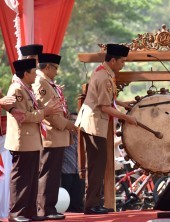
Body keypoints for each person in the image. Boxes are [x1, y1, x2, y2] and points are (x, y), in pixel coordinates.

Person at [75, 44, 137, 215]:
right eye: (122, 61)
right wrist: (127, 118)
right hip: (94, 125)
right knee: (97, 165)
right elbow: (104, 107)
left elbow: (107, 101)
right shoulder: (104, 77)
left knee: (99, 164)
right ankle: (91, 205)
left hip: (96, 124)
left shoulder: (104, 73)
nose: (123, 64)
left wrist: (123, 104)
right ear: (112, 60)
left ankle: (94, 202)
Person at [5, 59, 61, 222]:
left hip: (32, 140)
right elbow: (22, 116)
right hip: (22, 140)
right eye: (33, 72)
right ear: (26, 73)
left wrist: (44, 111)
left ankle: (29, 211)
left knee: (31, 177)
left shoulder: (26, 88)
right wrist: (45, 112)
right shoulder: (16, 89)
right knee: (21, 177)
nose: (36, 75)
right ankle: (17, 213)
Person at [32, 53, 77, 220]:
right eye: (55, 68)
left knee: (53, 174)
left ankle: (49, 207)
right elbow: (48, 114)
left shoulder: (48, 83)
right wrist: (69, 125)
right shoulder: (41, 83)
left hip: (57, 135)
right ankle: (44, 208)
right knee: (48, 174)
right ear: (48, 67)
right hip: (51, 134)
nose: (57, 72)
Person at [61, 112, 85, 213]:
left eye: (77, 121)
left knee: (78, 203)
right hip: (66, 172)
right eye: (72, 121)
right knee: (66, 203)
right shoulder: (64, 136)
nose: (75, 124)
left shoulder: (82, 138)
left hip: (79, 173)